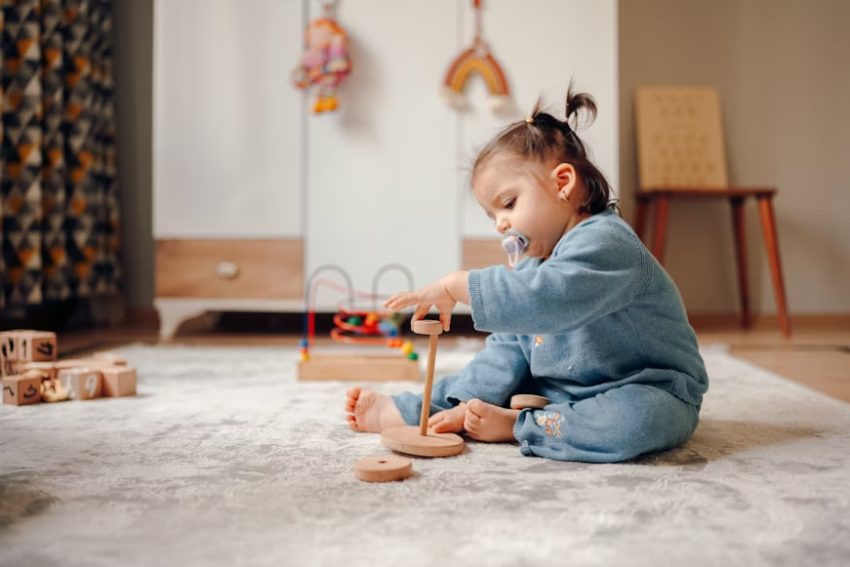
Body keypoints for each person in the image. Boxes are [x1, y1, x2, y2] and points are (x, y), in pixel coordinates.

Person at [344, 87, 708, 463]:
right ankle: (418, 410)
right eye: (492, 216)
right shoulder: (537, 262)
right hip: (557, 390)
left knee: (640, 420)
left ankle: (523, 425)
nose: (501, 224)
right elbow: (511, 346)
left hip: (646, 388)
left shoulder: (607, 243)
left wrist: (458, 285)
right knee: (496, 365)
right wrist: (472, 398)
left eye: (508, 204)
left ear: (562, 183)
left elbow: (546, 298)